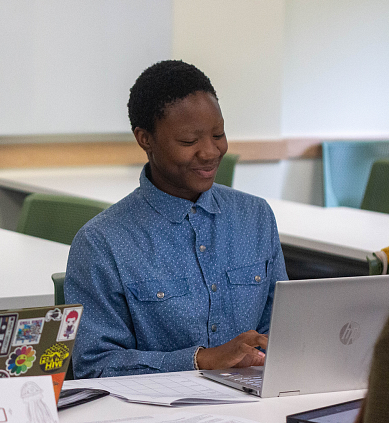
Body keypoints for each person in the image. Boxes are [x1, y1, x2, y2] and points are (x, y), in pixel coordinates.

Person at [65, 60, 288, 378]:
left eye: (218, 134)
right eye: (189, 141)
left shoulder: (256, 217)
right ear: (145, 139)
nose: (210, 152)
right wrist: (200, 360)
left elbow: (281, 332)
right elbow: (96, 365)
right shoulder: (103, 241)